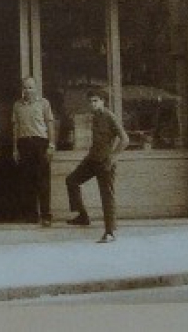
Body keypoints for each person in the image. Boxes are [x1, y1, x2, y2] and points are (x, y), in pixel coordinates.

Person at [65, 89, 129, 243]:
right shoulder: (95, 117)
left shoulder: (109, 117)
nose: (93, 104)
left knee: (107, 196)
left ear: (103, 101)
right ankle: (83, 216)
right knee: (72, 180)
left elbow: (125, 139)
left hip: (105, 163)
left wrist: (112, 158)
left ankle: (110, 232)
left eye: (96, 101)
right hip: (92, 160)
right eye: (91, 101)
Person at [12, 77, 56, 227]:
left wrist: (51, 144)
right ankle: (31, 215)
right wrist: (15, 148)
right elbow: (16, 128)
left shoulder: (44, 103)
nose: (27, 90)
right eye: (25, 88)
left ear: (36, 88)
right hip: (24, 143)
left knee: (43, 180)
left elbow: (50, 124)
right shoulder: (17, 105)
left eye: (30, 87)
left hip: (40, 143)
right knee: (28, 181)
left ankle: (46, 215)